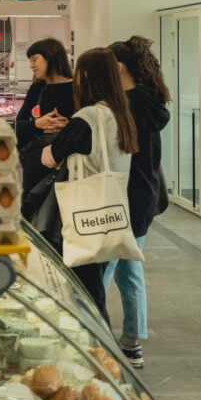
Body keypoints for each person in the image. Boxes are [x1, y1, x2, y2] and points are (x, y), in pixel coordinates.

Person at [41, 47, 138, 319]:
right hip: (111, 212)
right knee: (93, 284)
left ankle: (100, 350)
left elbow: (51, 156)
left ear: (87, 76)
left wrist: (54, 144)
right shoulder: (121, 114)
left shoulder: (88, 117)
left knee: (86, 292)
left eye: (80, 72)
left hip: (85, 214)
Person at [103, 36, 171, 367]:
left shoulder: (124, 104)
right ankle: (132, 344)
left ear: (118, 67)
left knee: (101, 271)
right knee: (129, 270)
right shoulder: (150, 100)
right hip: (143, 198)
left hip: (122, 198)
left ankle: (91, 342)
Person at [14, 37, 75, 219]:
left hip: (66, 165)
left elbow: (87, 125)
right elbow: (19, 125)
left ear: (50, 57)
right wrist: (37, 124)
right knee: (32, 212)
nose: (31, 65)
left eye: (34, 59)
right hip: (35, 166)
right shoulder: (37, 89)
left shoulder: (77, 89)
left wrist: (69, 126)